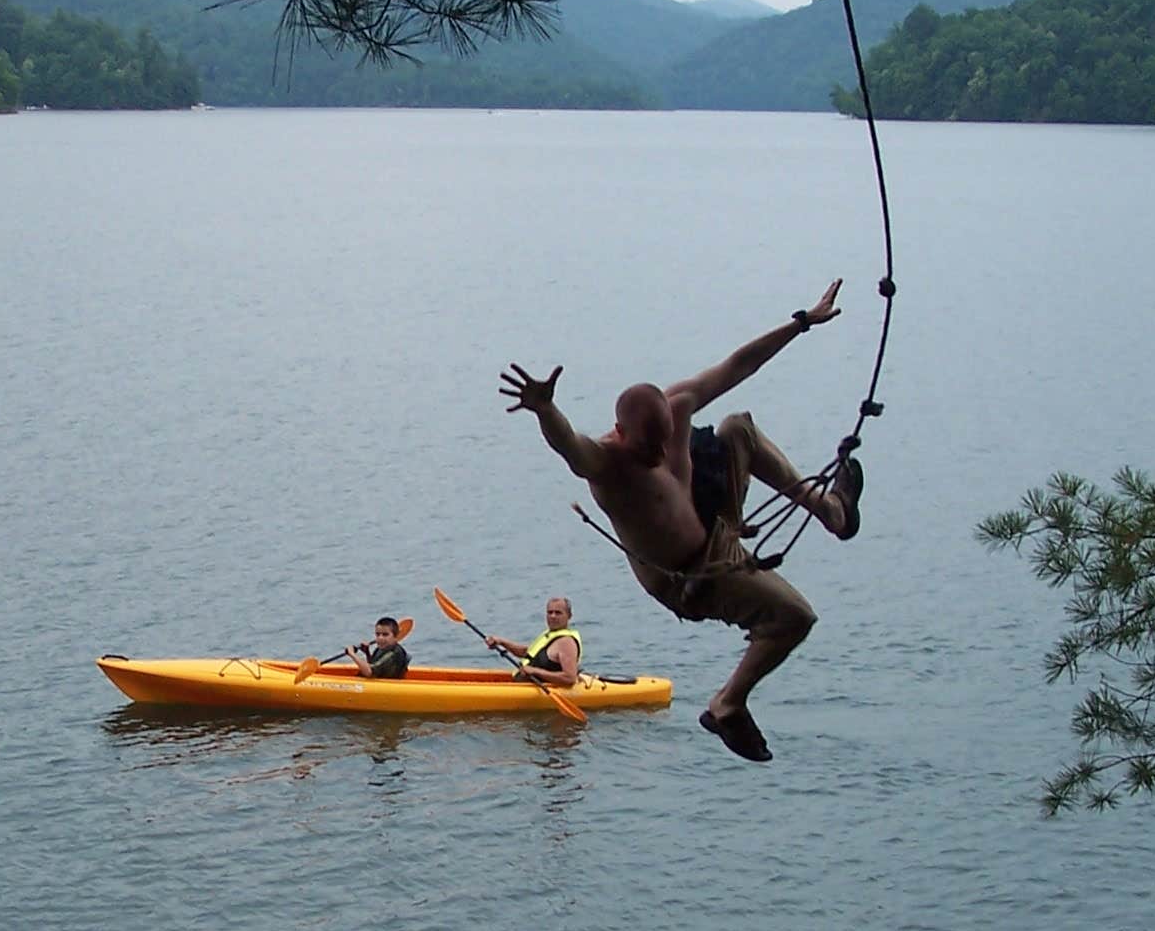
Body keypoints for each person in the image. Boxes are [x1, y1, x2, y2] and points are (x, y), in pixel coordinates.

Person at [500, 280, 863, 762]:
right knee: (795, 617)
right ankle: (727, 704)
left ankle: (832, 512)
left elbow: (738, 365)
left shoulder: (677, 407)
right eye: (647, 446)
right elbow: (568, 444)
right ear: (621, 432)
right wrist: (545, 409)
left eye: (665, 441)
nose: (658, 454)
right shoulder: (606, 462)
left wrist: (801, 323)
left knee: (738, 429)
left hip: (716, 527)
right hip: (691, 577)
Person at [483, 596, 581, 689]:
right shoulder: (550, 635)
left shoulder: (567, 643)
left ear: (569, 616)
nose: (553, 616)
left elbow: (569, 678)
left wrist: (535, 671)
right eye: (550, 612)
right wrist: (501, 642)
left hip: (539, 690)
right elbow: (527, 653)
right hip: (522, 684)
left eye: (558, 613)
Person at [345, 615, 410, 679]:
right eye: (377, 634)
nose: (380, 638)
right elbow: (373, 665)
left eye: (385, 634)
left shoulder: (392, 654)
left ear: (395, 636)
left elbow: (369, 672)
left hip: (387, 687)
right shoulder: (382, 648)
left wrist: (352, 654)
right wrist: (367, 652)